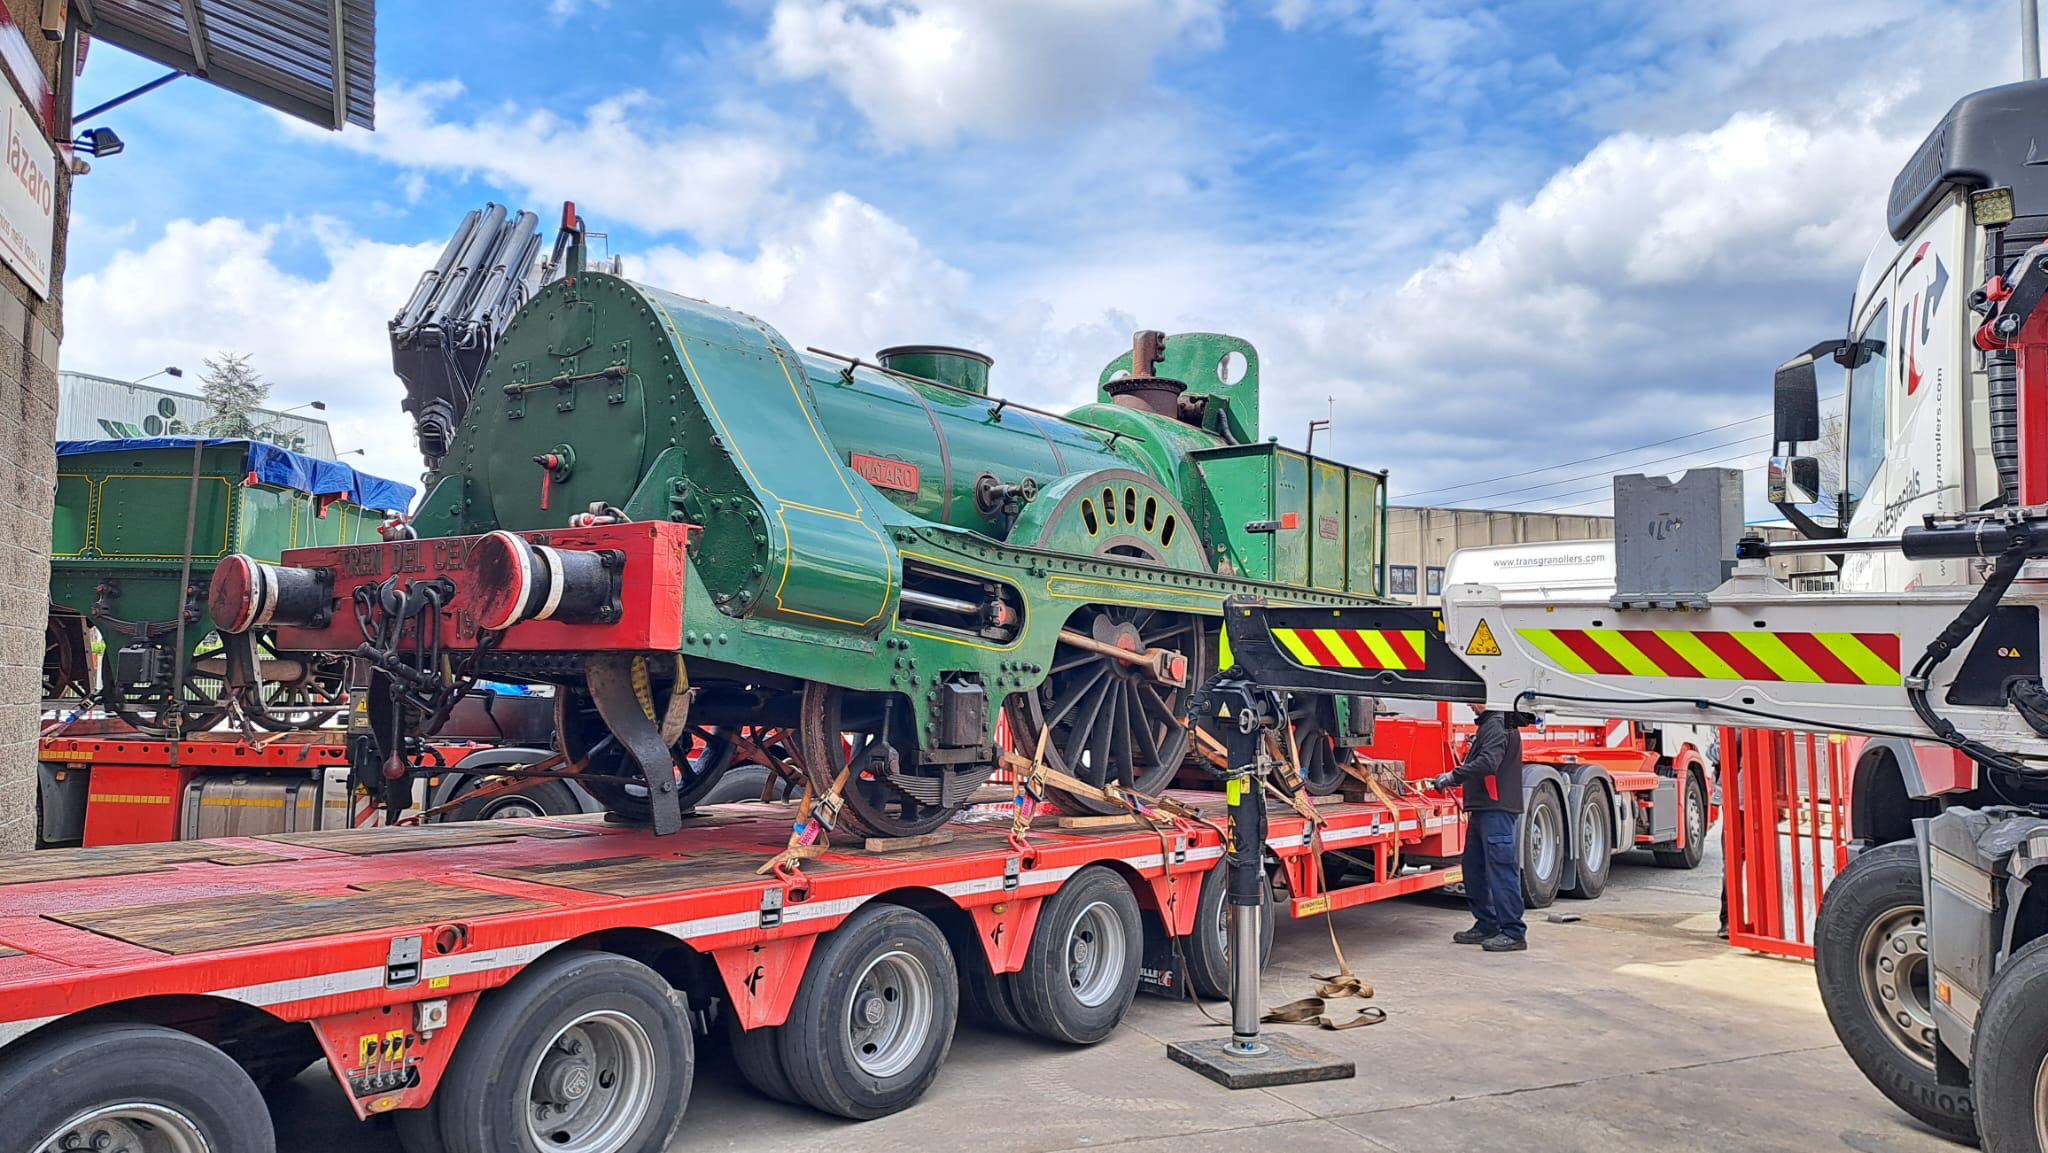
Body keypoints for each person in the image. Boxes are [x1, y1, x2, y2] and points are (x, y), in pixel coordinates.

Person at [1433, 709, 1528, 952]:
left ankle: (1513, 932)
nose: (1469, 705)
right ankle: (1487, 923)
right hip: (1485, 808)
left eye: (1474, 699)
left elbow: (1489, 762)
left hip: (1496, 808)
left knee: (1500, 869)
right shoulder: (1493, 723)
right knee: (1474, 867)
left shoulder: (1498, 723)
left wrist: (1452, 776)